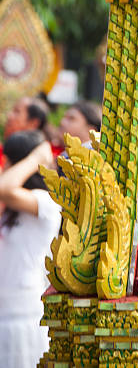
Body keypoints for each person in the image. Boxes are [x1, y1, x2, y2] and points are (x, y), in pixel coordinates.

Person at [0, 131, 61, 368]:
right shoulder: (10, 209)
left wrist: (35, 160)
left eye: (8, 162)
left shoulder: (46, 202)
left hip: (25, 316)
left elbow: (5, 188)